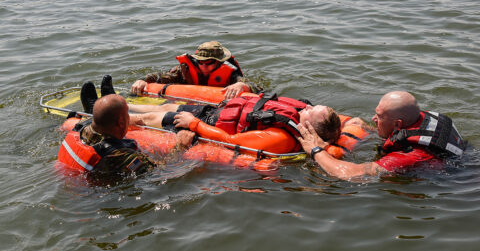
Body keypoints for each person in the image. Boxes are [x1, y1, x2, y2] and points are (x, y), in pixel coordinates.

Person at [297, 91, 466, 180]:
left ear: (398, 124)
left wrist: (316, 149)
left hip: (460, 186)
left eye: (379, 117)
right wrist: (367, 128)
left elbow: (351, 174)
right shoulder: (422, 117)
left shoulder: (411, 155)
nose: (373, 118)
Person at [122, 93, 352, 154]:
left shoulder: (281, 138)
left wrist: (194, 124)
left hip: (207, 124)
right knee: (164, 107)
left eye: (311, 112)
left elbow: (230, 140)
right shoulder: (299, 111)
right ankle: (120, 103)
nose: (307, 107)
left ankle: (113, 116)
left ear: (309, 128)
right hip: (219, 112)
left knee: (150, 119)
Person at [59, 88, 194, 178]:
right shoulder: (123, 156)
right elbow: (159, 171)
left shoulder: (82, 128)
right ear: (120, 123)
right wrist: (180, 146)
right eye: (128, 116)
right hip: (96, 196)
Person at [130, 41, 261, 100]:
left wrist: (242, 85)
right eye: (200, 62)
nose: (203, 66)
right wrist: (142, 80)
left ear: (219, 62)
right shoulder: (185, 70)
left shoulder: (231, 73)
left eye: (209, 63)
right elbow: (159, 76)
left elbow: (256, 87)